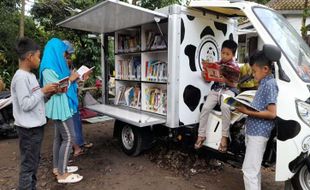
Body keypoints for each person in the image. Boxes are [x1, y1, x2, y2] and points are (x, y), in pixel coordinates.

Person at [11, 37, 58, 189]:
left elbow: (35, 101)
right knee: (28, 166)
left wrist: (48, 94)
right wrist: (43, 90)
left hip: (35, 128)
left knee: (33, 163)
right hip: (28, 130)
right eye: (39, 56)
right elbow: (25, 104)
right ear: (30, 57)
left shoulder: (30, 76)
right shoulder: (20, 78)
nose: (40, 60)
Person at [39, 38, 83, 183]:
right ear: (56, 51)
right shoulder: (48, 68)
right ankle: (62, 174)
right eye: (64, 53)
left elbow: (64, 83)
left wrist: (75, 79)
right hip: (59, 108)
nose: (65, 56)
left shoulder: (55, 65)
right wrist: (72, 78)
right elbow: (58, 89)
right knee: (69, 137)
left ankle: (57, 167)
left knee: (59, 137)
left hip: (61, 106)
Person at [237, 50, 278, 190]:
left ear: (265, 69)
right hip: (254, 131)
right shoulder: (265, 82)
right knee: (253, 171)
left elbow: (272, 113)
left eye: (254, 71)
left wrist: (247, 111)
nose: (253, 75)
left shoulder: (270, 84)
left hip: (258, 133)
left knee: (249, 171)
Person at [195, 39, 240, 152]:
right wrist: (205, 71)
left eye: (227, 54)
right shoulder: (217, 64)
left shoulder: (235, 67)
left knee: (225, 107)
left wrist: (224, 78)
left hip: (229, 91)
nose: (224, 56)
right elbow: (208, 79)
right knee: (205, 108)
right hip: (216, 90)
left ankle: (224, 137)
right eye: (223, 53)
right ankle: (201, 135)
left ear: (233, 55)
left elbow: (234, 84)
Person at [62, 40, 93, 157]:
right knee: (70, 126)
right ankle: (75, 148)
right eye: (67, 55)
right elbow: (65, 82)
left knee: (76, 122)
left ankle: (79, 143)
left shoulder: (68, 65)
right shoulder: (59, 66)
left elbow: (73, 81)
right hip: (67, 98)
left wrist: (82, 77)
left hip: (72, 97)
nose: (69, 58)